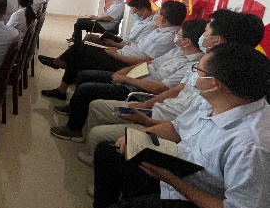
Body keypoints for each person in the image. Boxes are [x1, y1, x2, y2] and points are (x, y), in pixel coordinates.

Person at [64, 43, 270, 208]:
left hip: (205, 202)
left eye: (198, 70)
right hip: (181, 169)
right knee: (110, 154)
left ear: (214, 83)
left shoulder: (252, 145)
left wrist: (172, 180)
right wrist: (139, 136)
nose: (194, 76)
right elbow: (176, 127)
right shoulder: (212, 100)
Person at [80, 10, 266, 158]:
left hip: (172, 128)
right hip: (163, 116)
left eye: (206, 31)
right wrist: (146, 110)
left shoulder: (227, 83)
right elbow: (178, 94)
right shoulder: (204, 64)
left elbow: (187, 126)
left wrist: (149, 123)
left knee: (100, 134)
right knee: (97, 106)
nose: (202, 36)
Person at [48, 20, 206, 142]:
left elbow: (159, 88)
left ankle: (73, 130)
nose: (175, 36)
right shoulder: (177, 51)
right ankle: (74, 109)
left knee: (86, 88)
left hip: (137, 90)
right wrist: (126, 71)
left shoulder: (192, 66)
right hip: (131, 76)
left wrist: (125, 77)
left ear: (187, 41)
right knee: (84, 75)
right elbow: (149, 63)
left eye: (179, 34)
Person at [40, 0, 187, 100]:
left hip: (122, 62)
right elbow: (136, 46)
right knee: (81, 51)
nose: (155, 14)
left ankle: (59, 65)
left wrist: (116, 55)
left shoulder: (166, 38)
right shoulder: (159, 31)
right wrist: (117, 48)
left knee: (80, 49)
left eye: (158, 13)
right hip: (120, 54)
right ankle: (61, 76)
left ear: (163, 18)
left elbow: (144, 61)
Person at [84, 0, 156, 47]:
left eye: (134, 12)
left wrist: (114, 44)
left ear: (144, 10)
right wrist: (118, 37)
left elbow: (136, 45)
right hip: (121, 41)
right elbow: (131, 35)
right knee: (89, 37)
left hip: (124, 46)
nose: (133, 14)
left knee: (89, 40)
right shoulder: (140, 20)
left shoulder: (150, 25)